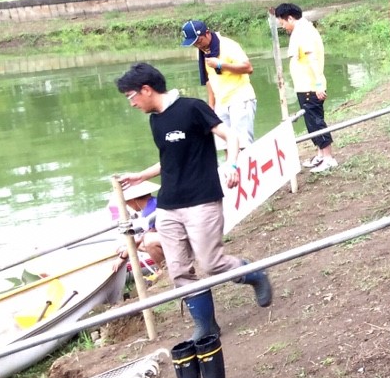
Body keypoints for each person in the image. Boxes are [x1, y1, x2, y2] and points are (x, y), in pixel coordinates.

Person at [114, 62, 272, 342]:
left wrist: (232, 165)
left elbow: (230, 136)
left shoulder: (192, 108)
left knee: (211, 263)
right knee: (179, 270)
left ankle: (253, 274)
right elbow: (169, 158)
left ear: (146, 89)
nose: (132, 103)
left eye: (131, 96)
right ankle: (206, 326)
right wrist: (141, 176)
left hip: (202, 200)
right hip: (168, 205)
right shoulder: (155, 121)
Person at [274, 3, 336, 173]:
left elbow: (312, 58)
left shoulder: (303, 31)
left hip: (311, 86)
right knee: (310, 122)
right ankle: (320, 154)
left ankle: (328, 158)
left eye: (283, 23)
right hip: (304, 86)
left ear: (290, 18)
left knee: (316, 121)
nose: (283, 27)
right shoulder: (301, 30)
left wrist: (319, 84)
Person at [180, 19, 257, 144]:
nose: (198, 46)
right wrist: (211, 107)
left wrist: (220, 64)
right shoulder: (203, 52)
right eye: (194, 44)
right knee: (226, 145)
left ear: (207, 33)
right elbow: (209, 79)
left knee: (242, 143)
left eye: (199, 41)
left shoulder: (227, 45)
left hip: (240, 98)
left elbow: (248, 68)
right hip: (220, 103)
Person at [110, 178, 164, 274]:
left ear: (132, 200)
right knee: (139, 244)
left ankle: (164, 269)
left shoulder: (149, 211)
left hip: (174, 239)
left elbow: (140, 239)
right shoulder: (155, 201)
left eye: (127, 202)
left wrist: (122, 257)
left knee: (144, 242)